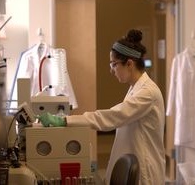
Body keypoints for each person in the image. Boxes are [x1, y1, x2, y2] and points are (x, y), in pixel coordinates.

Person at [66, 29, 166, 185]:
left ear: (130, 64)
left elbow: (112, 117)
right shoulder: (135, 88)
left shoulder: (148, 92)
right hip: (136, 161)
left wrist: (67, 120)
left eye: (114, 64)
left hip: (145, 170)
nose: (111, 70)